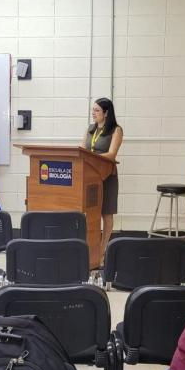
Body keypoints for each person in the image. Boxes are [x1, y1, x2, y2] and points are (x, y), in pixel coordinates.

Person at [82, 98, 123, 259]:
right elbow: (82, 149)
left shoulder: (116, 130)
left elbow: (112, 154)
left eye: (97, 110)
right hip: (89, 176)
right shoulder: (90, 129)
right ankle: (89, 246)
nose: (93, 113)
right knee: (90, 212)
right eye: (93, 110)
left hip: (106, 176)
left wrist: (91, 157)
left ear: (106, 113)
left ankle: (102, 249)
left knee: (106, 212)